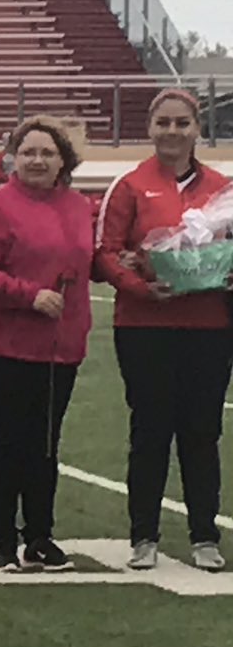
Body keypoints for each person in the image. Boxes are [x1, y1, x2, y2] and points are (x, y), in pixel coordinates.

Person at [94, 86, 230, 572]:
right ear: (149, 129)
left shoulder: (222, 187)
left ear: (197, 129)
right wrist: (140, 287)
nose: (172, 131)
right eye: (163, 123)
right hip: (144, 325)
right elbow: (105, 254)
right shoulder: (129, 186)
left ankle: (204, 536)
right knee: (149, 429)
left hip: (210, 326)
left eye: (182, 123)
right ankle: (143, 535)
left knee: (202, 432)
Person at [0, 116, 95, 573]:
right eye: (29, 152)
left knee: (47, 445)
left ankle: (40, 535)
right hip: (4, 343)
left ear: (63, 160)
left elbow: (90, 261)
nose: (37, 160)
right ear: (13, 157)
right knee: (11, 440)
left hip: (62, 344)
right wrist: (28, 295)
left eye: (47, 153)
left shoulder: (79, 206)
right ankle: (2, 536)